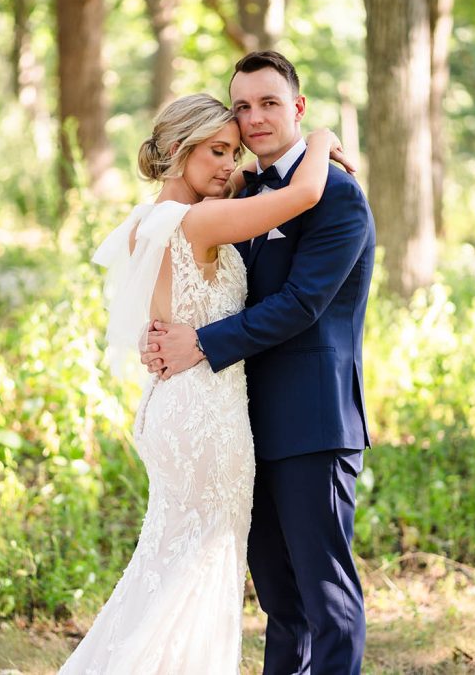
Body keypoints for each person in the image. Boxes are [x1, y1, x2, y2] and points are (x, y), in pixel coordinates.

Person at [57, 93, 350, 674]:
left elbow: (238, 185)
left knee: (169, 565)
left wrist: (235, 158)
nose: (228, 165)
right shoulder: (201, 220)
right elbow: (303, 193)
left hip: (171, 407)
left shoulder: (145, 222)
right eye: (216, 151)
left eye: (233, 151)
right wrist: (318, 139)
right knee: (199, 574)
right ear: (175, 150)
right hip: (206, 417)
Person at [142, 51, 376, 675]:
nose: (254, 118)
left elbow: (301, 304)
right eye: (242, 107)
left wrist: (202, 342)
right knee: (278, 599)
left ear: (297, 107)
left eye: (269, 103)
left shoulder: (338, 197)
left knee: (325, 597)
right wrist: (163, 334)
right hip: (241, 427)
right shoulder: (241, 194)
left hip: (312, 425)